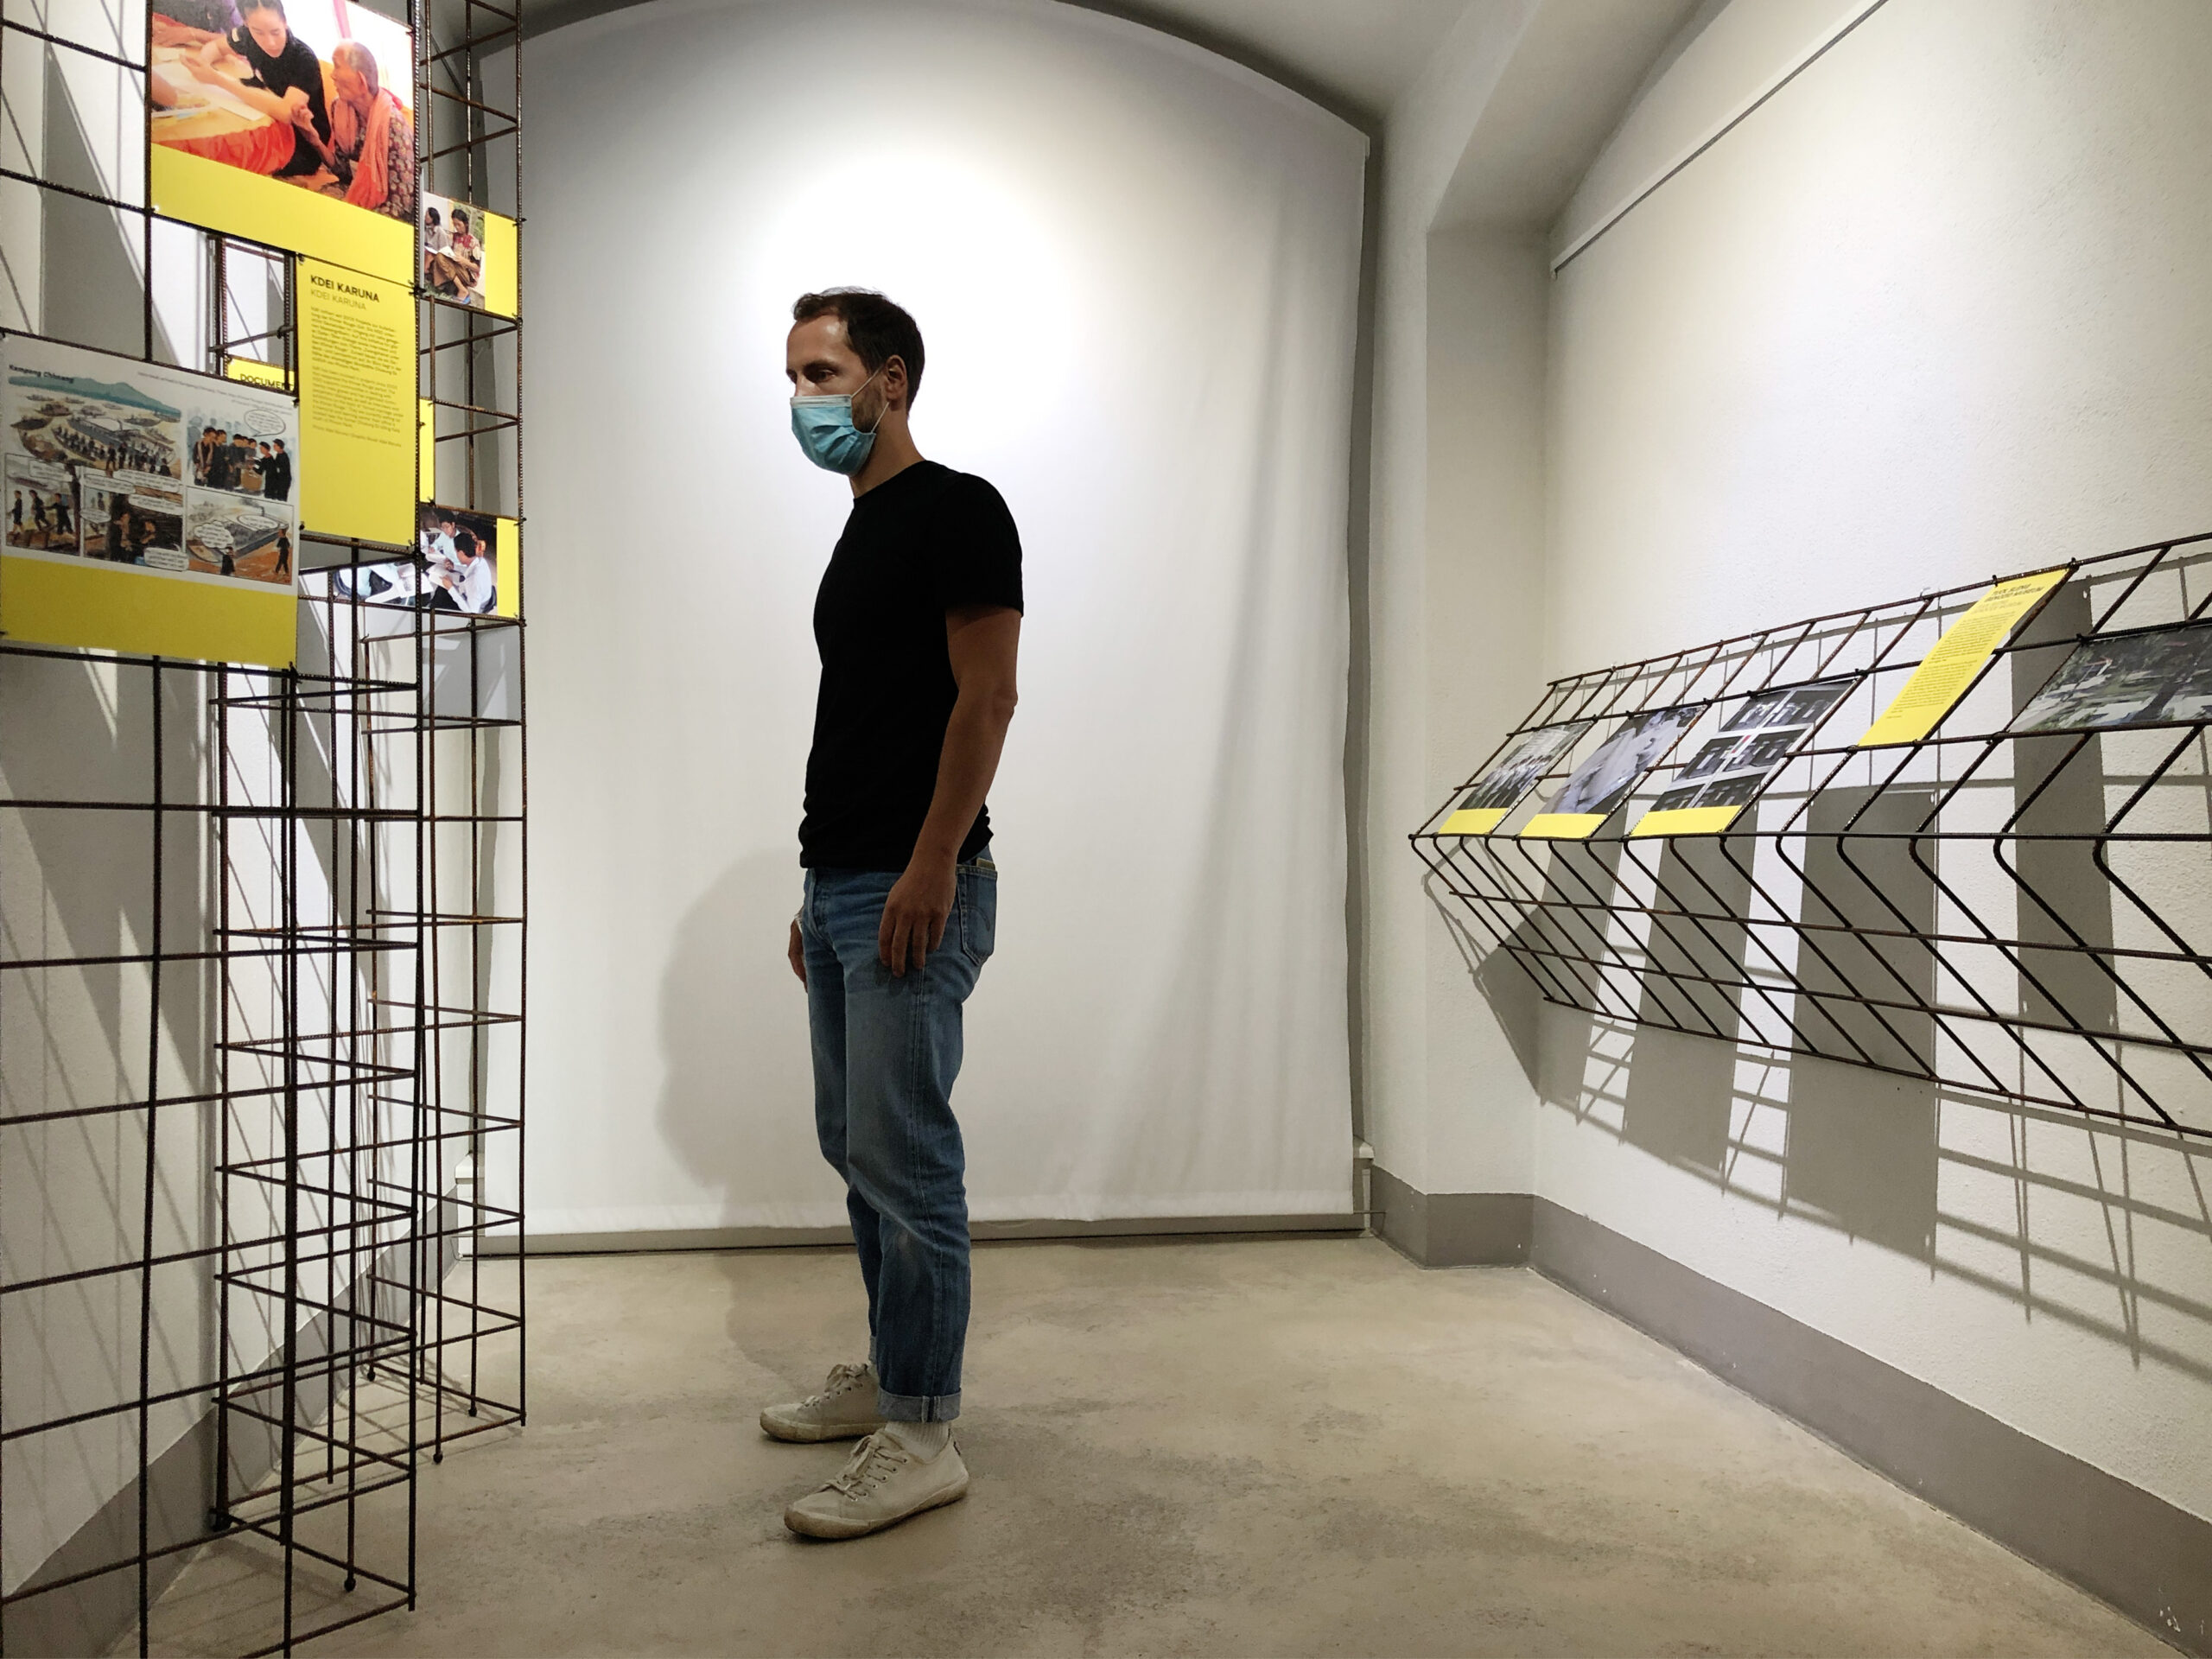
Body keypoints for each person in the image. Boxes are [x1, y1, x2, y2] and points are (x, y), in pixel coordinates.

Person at [765, 289, 1022, 1542]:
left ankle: (923, 1434)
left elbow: (987, 699)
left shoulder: (958, 510)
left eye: (822, 374)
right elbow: (863, 721)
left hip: (915, 885)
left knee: (909, 1157)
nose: (803, 400)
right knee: (855, 1145)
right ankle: (893, 1369)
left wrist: (931, 864)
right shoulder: (860, 532)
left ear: (891, 380)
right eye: (793, 378)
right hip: (846, 882)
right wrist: (818, 887)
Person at [168, 0, 335, 181]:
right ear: (246, 24)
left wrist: (218, 80)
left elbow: (286, 112)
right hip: (264, 115)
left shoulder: (304, 59)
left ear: (285, 22)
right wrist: (203, 62)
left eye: (276, 32)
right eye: (258, 32)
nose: (270, 42)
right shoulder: (246, 35)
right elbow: (217, 47)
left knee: (226, 156)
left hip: (301, 143)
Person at [327, 39, 414, 220]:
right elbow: (344, 172)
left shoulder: (394, 126)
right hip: (354, 193)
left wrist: (357, 218)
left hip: (388, 214)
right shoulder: (339, 108)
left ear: (361, 81)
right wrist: (312, 138)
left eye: (337, 66)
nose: (332, 75)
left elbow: (401, 205)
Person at [264, 438, 292, 502]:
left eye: (275, 445)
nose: (273, 446)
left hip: (284, 481)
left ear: (280, 446)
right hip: (280, 479)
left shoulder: (283, 456)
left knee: (281, 498)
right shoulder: (279, 454)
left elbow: (281, 469)